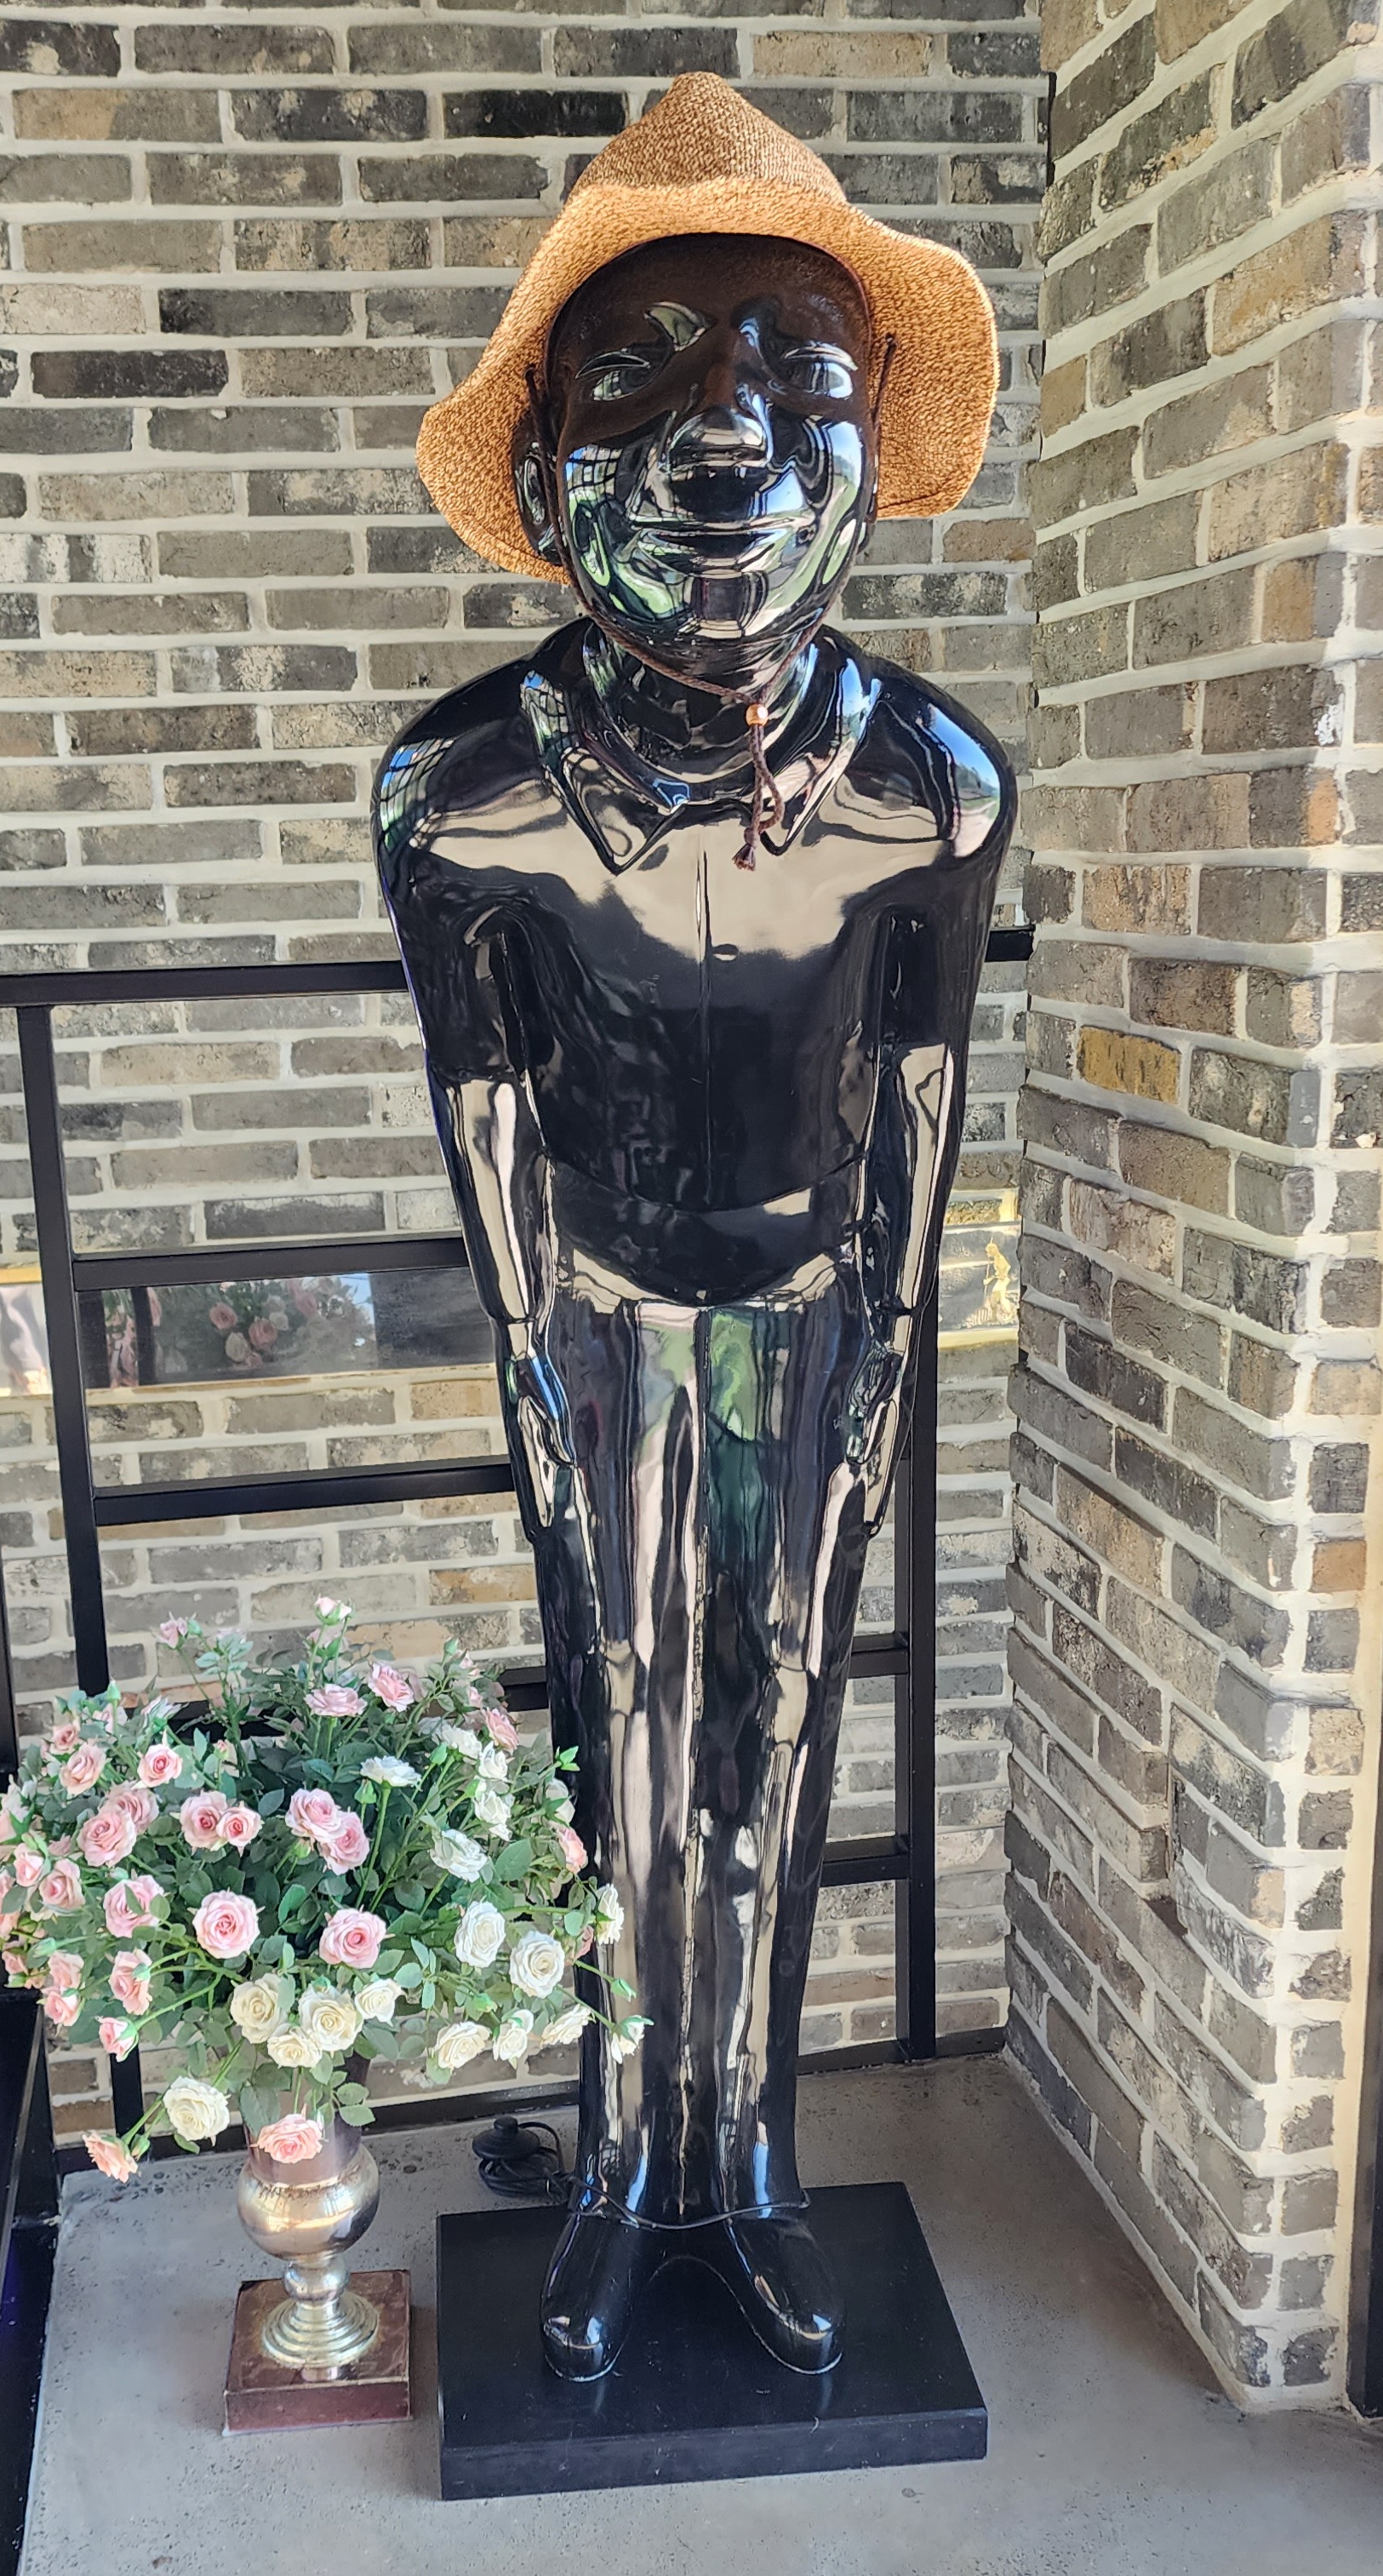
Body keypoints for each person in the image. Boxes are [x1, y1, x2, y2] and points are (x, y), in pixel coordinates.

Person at [375, 74, 1015, 2381]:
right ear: (554, 472)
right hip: (603, 1307)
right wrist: (535, 1361)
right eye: (645, 373)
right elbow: (481, 1094)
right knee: (620, 1724)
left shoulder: (933, 789)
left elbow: (923, 1082)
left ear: (864, 451)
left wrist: (890, 1352)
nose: (725, 431)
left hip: (823, 1309)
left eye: (791, 371)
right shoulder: (464, 797)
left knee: (781, 1723)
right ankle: (620, 2155)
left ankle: (740, 2163)